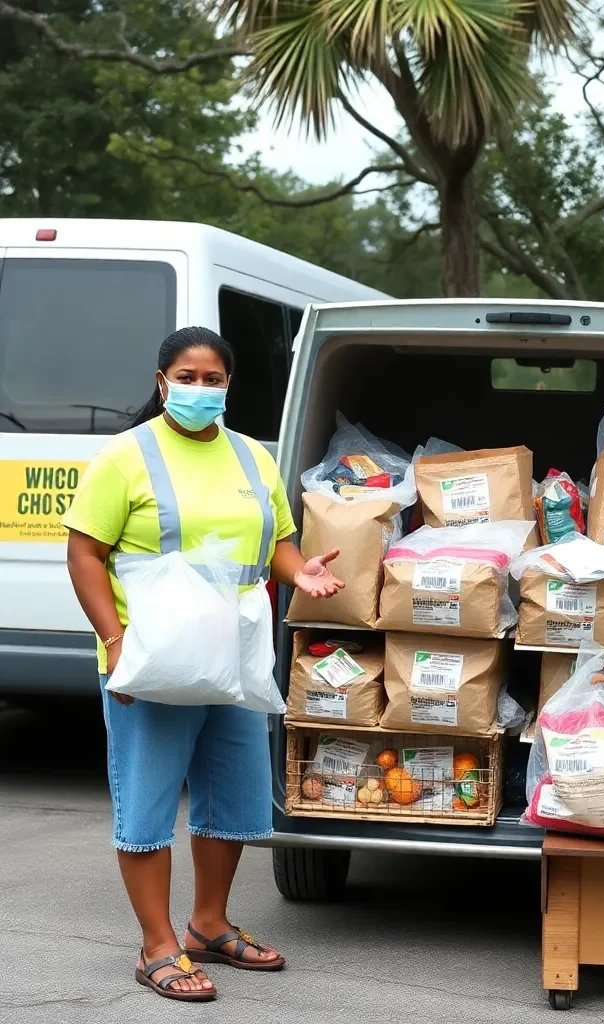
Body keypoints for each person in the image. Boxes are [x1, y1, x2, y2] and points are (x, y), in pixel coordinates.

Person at [64, 326, 344, 1003]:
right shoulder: (125, 458)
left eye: (212, 378)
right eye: (186, 377)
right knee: (148, 802)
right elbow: (83, 554)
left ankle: (208, 924)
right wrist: (113, 640)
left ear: (228, 386)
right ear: (162, 381)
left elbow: (277, 538)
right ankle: (157, 945)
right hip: (151, 656)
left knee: (233, 796)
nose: (199, 388)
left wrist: (299, 569)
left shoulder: (252, 458)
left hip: (233, 656)